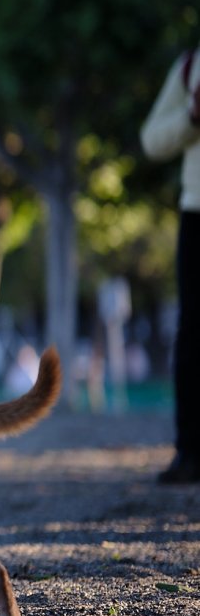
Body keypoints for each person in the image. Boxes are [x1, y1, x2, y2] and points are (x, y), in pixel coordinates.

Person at [141, 45, 200, 485]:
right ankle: (191, 451)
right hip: (197, 211)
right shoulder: (190, 66)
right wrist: (191, 117)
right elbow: (152, 139)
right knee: (193, 331)